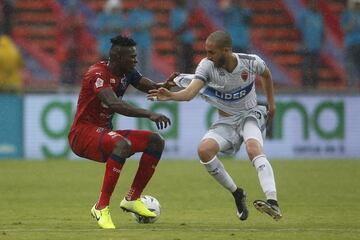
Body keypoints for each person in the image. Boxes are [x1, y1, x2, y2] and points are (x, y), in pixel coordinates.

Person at [147, 30, 282, 221]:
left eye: (212, 52)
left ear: (226, 50)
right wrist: (171, 96)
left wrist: (272, 104)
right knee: (204, 151)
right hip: (226, 122)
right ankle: (237, 193)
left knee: (253, 149)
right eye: (206, 52)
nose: (207, 56)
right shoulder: (207, 66)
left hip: (250, 114)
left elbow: (266, 75)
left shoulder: (251, 62)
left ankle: (273, 203)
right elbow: (189, 93)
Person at [68, 35, 177, 229]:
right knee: (122, 144)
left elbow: (145, 84)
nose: (135, 60)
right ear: (118, 58)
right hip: (82, 134)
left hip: (102, 133)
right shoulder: (97, 74)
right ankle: (101, 207)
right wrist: (148, 114)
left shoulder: (127, 72)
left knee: (155, 141)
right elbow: (113, 103)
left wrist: (163, 86)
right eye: (132, 57)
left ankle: (132, 199)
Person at [297, 0, 324, 88]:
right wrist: (302, 42)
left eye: (316, 3)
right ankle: (304, 87)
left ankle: (314, 87)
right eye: (312, 3)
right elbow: (298, 29)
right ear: (309, 4)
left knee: (315, 69)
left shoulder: (319, 16)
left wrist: (322, 42)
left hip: (316, 47)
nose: (314, 5)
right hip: (306, 46)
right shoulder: (304, 15)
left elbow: (322, 31)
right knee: (305, 67)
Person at [127, 0, 155, 76]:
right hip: (136, 42)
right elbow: (131, 27)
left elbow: (153, 26)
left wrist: (146, 26)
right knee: (137, 63)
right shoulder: (133, 14)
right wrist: (140, 27)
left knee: (146, 64)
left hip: (147, 42)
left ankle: (145, 81)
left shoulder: (149, 14)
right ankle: (136, 80)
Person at [170, 0, 196, 73]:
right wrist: (184, 27)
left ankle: (189, 81)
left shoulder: (187, 11)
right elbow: (174, 29)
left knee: (190, 63)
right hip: (181, 41)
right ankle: (181, 81)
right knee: (181, 63)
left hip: (190, 41)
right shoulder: (174, 12)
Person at [341, 0, 360, 89]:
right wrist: (353, 21)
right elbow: (344, 29)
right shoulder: (346, 14)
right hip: (351, 43)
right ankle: (352, 86)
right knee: (350, 66)